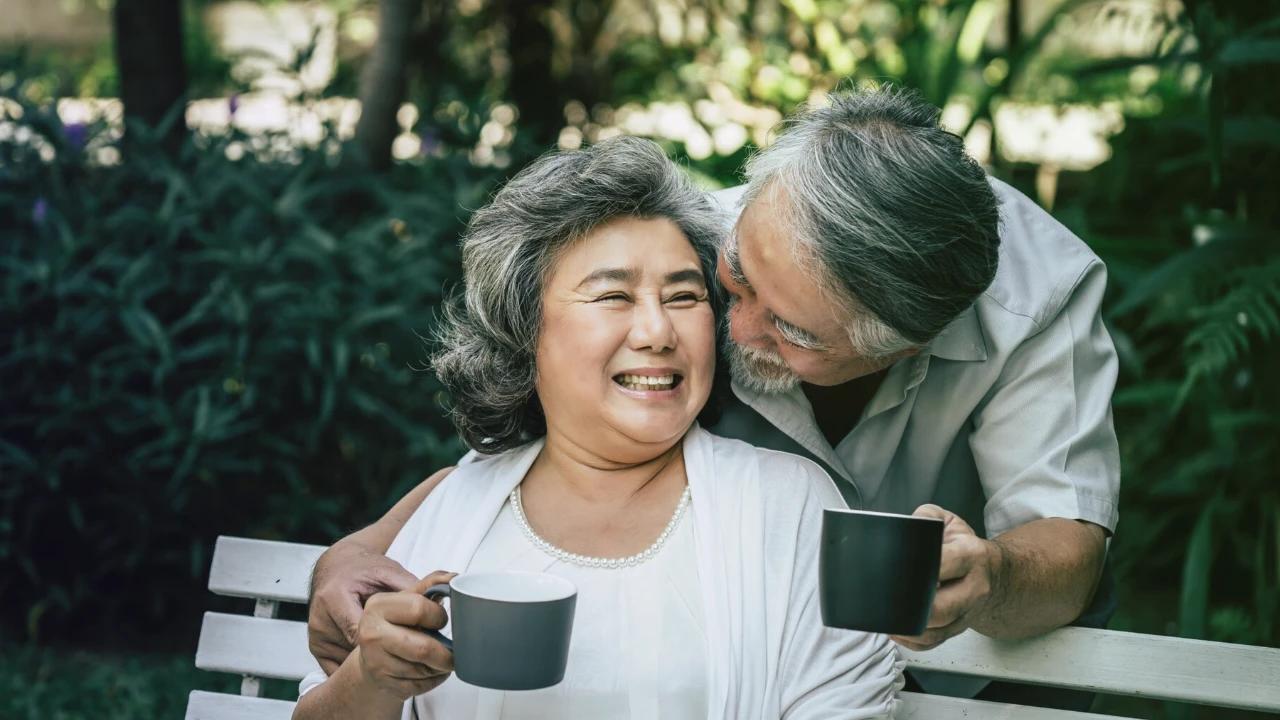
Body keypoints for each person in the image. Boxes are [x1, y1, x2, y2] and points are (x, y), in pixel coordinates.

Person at [308, 85, 1120, 710]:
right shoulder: (712, 239)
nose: (727, 323)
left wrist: (990, 579)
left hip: (952, 671)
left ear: (902, 348)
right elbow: (562, 437)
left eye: (791, 329)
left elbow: (1067, 542)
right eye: (730, 280)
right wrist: (363, 547)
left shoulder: (1032, 302)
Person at [292, 136, 904, 720]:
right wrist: (371, 680)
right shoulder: (455, 507)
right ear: (525, 330)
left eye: (685, 297)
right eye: (613, 296)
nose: (657, 332)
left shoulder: (788, 507)